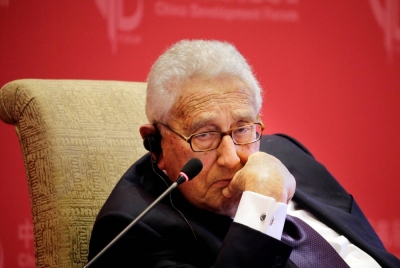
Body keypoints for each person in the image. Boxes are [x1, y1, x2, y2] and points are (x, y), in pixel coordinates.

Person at [88, 40, 399, 267]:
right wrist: (263, 205)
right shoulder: (133, 228)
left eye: (242, 129)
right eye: (205, 135)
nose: (232, 158)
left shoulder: (285, 152)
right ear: (156, 144)